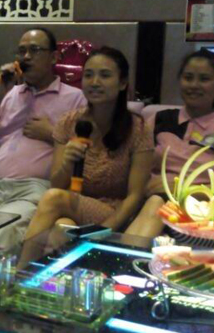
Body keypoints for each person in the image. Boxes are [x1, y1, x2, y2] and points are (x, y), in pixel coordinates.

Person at [0, 28, 86, 248]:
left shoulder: (75, 98)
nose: (26, 57)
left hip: (34, 188)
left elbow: (84, 152)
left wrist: (52, 133)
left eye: (35, 50)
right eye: (22, 51)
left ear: (54, 57)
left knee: (2, 230)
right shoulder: (10, 94)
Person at [23, 47, 152, 240]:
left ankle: (22, 261)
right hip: (73, 205)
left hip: (115, 212)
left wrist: (102, 231)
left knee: (53, 199)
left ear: (122, 83)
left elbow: (135, 196)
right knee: (61, 228)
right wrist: (67, 163)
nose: (95, 82)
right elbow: (56, 184)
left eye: (105, 75)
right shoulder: (69, 122)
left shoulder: (138, 129)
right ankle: (36, 260)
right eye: (88, 75)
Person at [125, 50, 214, 244]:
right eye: (188, 78)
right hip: (147, 204)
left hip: (198, 218)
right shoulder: (158, 120)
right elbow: (135, 167)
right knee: (155, 203)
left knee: (158, 203)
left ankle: (123, 256)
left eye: (204, 79)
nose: (194, 85)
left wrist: (180, 191)